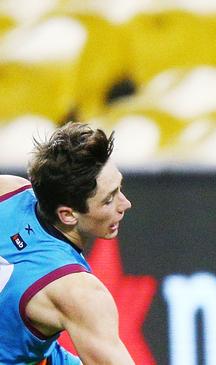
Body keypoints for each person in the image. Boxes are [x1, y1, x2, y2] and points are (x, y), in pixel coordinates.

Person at [0, 122, 135, 364]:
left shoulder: (7, 190)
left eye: (119, 188)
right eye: (108, 200)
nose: (125, 205)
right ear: (68, 215)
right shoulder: (79, 292)